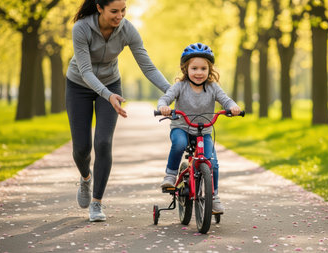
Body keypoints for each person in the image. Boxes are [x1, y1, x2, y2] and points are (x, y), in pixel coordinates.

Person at [66, 0, 170, 222]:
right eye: (114, 11)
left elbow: (148, 66)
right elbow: (85, 71)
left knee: (103, 142)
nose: (120, 16)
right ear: (99, 8)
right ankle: (85, 178)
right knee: (81, 148)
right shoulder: (81, 28)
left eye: (123, 10)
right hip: (78, 85)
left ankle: (97, 202)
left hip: (111, 85)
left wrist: (174, 91)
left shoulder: (127, 30)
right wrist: (107, 95)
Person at [157, 43, 241, 214]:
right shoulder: (180, 87)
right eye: (194, 68)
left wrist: (233, 107)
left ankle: (214, 197)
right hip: (182, 127)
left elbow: (226, 100)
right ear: (185, 69)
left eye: (203, 68)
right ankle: (171, 175)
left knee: (213, 163)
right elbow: (165, 98)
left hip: (204, 131)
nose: (199, 72)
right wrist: (163, 107)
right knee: (179, 144)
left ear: (209, 70)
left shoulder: (212, 87)